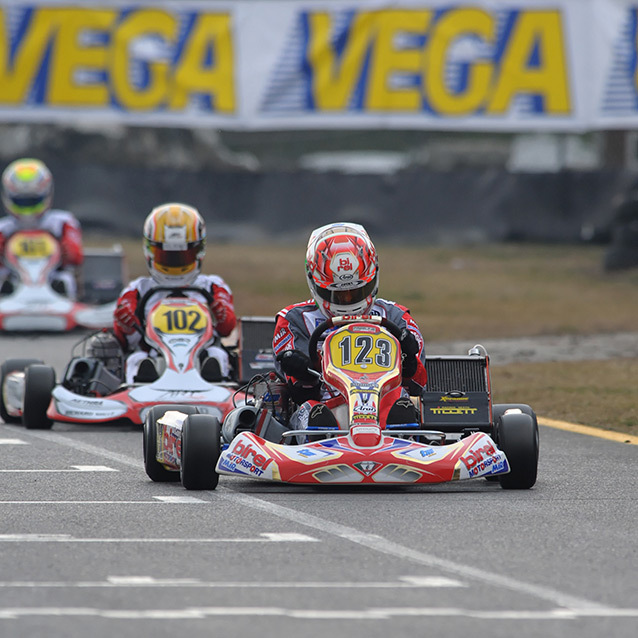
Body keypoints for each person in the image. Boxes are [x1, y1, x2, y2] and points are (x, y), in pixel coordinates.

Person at [272, 221, 427, 432]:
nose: (348, 301)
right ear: (314, 283)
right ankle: (321, 443)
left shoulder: (395, 317)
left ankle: (403, 436)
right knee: (312, 413)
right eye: (338, 294)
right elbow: (299, 392)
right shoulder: (295, 320)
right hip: (325, 407)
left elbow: (419, 385)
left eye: (356, 292)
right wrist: (303, 371)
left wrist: (409, 362)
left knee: (401, 404)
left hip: (384, 409)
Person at [113, 202, 236, 384]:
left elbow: (227, 328)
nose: (175, 261)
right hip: (155, 356)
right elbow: (123, 340)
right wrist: (125, 324)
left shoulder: (212, 286)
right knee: (136, 360)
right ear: (151, 250)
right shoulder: (139, 289)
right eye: (167, 256)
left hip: (201, 356)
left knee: (217, 355)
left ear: (197, 251)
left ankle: (217, 384)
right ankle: (139, 387)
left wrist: (221, 314)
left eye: (183, 255)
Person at [0, 158, 83, 298]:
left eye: (32, 201)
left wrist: (69, 251)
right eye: (21, 201)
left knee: (66, 279)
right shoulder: (4, 228)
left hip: (52, 277)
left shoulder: (61, 222)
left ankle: (64, 301)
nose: (27, 209)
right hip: (13, 277)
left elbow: (75, 258)